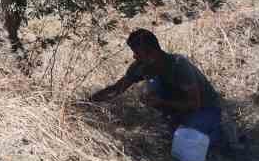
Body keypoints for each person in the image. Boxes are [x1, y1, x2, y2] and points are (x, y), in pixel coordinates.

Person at [89, 28, 225, 149]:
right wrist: (88, 102)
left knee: (187, 141)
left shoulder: (179, 65)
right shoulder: (141, 66)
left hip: (205, 108)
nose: (134, 56)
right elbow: (118, 88)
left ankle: (223, 134)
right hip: (178, 110)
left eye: (137, 52)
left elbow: (195, 104)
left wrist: (161, 102)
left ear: (152, 53)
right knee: (168, 136)